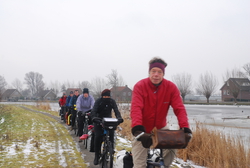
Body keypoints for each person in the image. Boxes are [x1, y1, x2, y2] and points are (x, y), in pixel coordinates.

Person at [130, 57, 192, 168]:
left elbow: (179, 108)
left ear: (163, 74)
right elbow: (136, 108)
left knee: (173, 145)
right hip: (142, 128)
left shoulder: (171, 87)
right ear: (149, 72)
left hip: (161, 127)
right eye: (153, 71)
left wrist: (185, 128)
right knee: (139, 165)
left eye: (159, 72)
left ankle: (164, 165)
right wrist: (137, 129)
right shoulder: (140, 86)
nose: (156, 74)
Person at [91, 89, 124, 165]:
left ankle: (111, 149)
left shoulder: (112, 101)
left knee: (111, 136)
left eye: (108, 96)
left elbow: (116, 111)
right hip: (98, 120)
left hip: (109, 121)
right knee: (98, 136)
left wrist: (119, 118)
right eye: (105, 96)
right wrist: (94, 118)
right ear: (102, 96)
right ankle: (97, 155)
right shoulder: (98, 101)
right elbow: (94, 111)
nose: (106, 98)